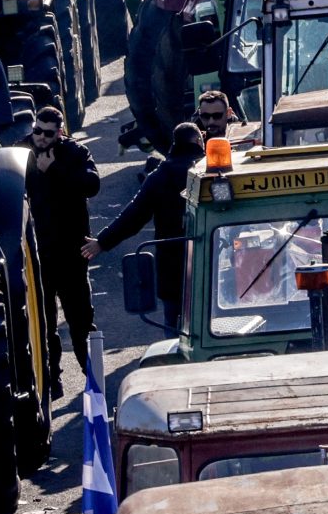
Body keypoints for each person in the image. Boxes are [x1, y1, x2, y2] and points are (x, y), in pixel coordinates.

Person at [89, 122, 203, 331]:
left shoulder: (159, 177)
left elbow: (134, 215)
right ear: (198, 141)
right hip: (214, 266)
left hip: (173, 270)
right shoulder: (211, 172)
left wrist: (102, 242)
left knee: (175, 328)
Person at [25, 108, 102, 370]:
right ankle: (52, 376)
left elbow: (92, 184)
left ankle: (92, 376)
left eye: (48, 133)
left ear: (59, 132)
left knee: (80, 320)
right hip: (37, 252)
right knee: (43, 323)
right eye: (37, 131)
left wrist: (54, 169)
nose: (41, 138)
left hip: (70, 251)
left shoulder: (75, 152)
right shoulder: (22, 150)